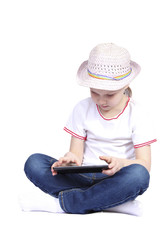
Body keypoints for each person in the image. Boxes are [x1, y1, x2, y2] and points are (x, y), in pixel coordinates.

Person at [22, 43, 157, 215]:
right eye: (94, 92)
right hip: (82, 176)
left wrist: (121, 163)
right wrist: (69, 160)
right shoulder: (81, 108)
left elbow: (144, 165)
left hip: (116, 177)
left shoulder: (138, 113)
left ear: (125, 86)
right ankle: (110, 202)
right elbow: (76, 155)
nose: (101, 101)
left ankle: (63, 205)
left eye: (109, 95)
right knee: (34, 162)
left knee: (139, 176)